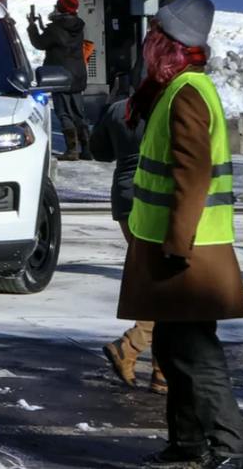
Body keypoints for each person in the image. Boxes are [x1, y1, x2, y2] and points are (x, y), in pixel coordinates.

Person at [117, 0, 243, 469]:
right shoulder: (177, 88)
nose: (147, 45)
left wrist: (177, 244)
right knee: (174, 351)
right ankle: (187, 444)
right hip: (181, 248)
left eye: (154, 37)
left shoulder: (187, 92)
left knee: (196, 355)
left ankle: (229, 451)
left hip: (189, 254)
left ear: (169, 46)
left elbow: (192, 174)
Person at [92, 70, 166, 397]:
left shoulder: (117, 109)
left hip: (124, 198)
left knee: (156, 279)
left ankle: (162, 374)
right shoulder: (165, 106)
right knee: (164, 283)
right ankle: (132, 345)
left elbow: (100, 152)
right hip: (154, 197)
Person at [29, 0, 92, 160]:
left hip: (61, 75)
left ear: (60, 8)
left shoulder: (55, 28)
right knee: (79, 112)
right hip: (78, 73)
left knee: (64, 112)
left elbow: (39, 43)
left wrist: (32, 27)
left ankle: (72, 150)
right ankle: (86, 149)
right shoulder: (78, 26)